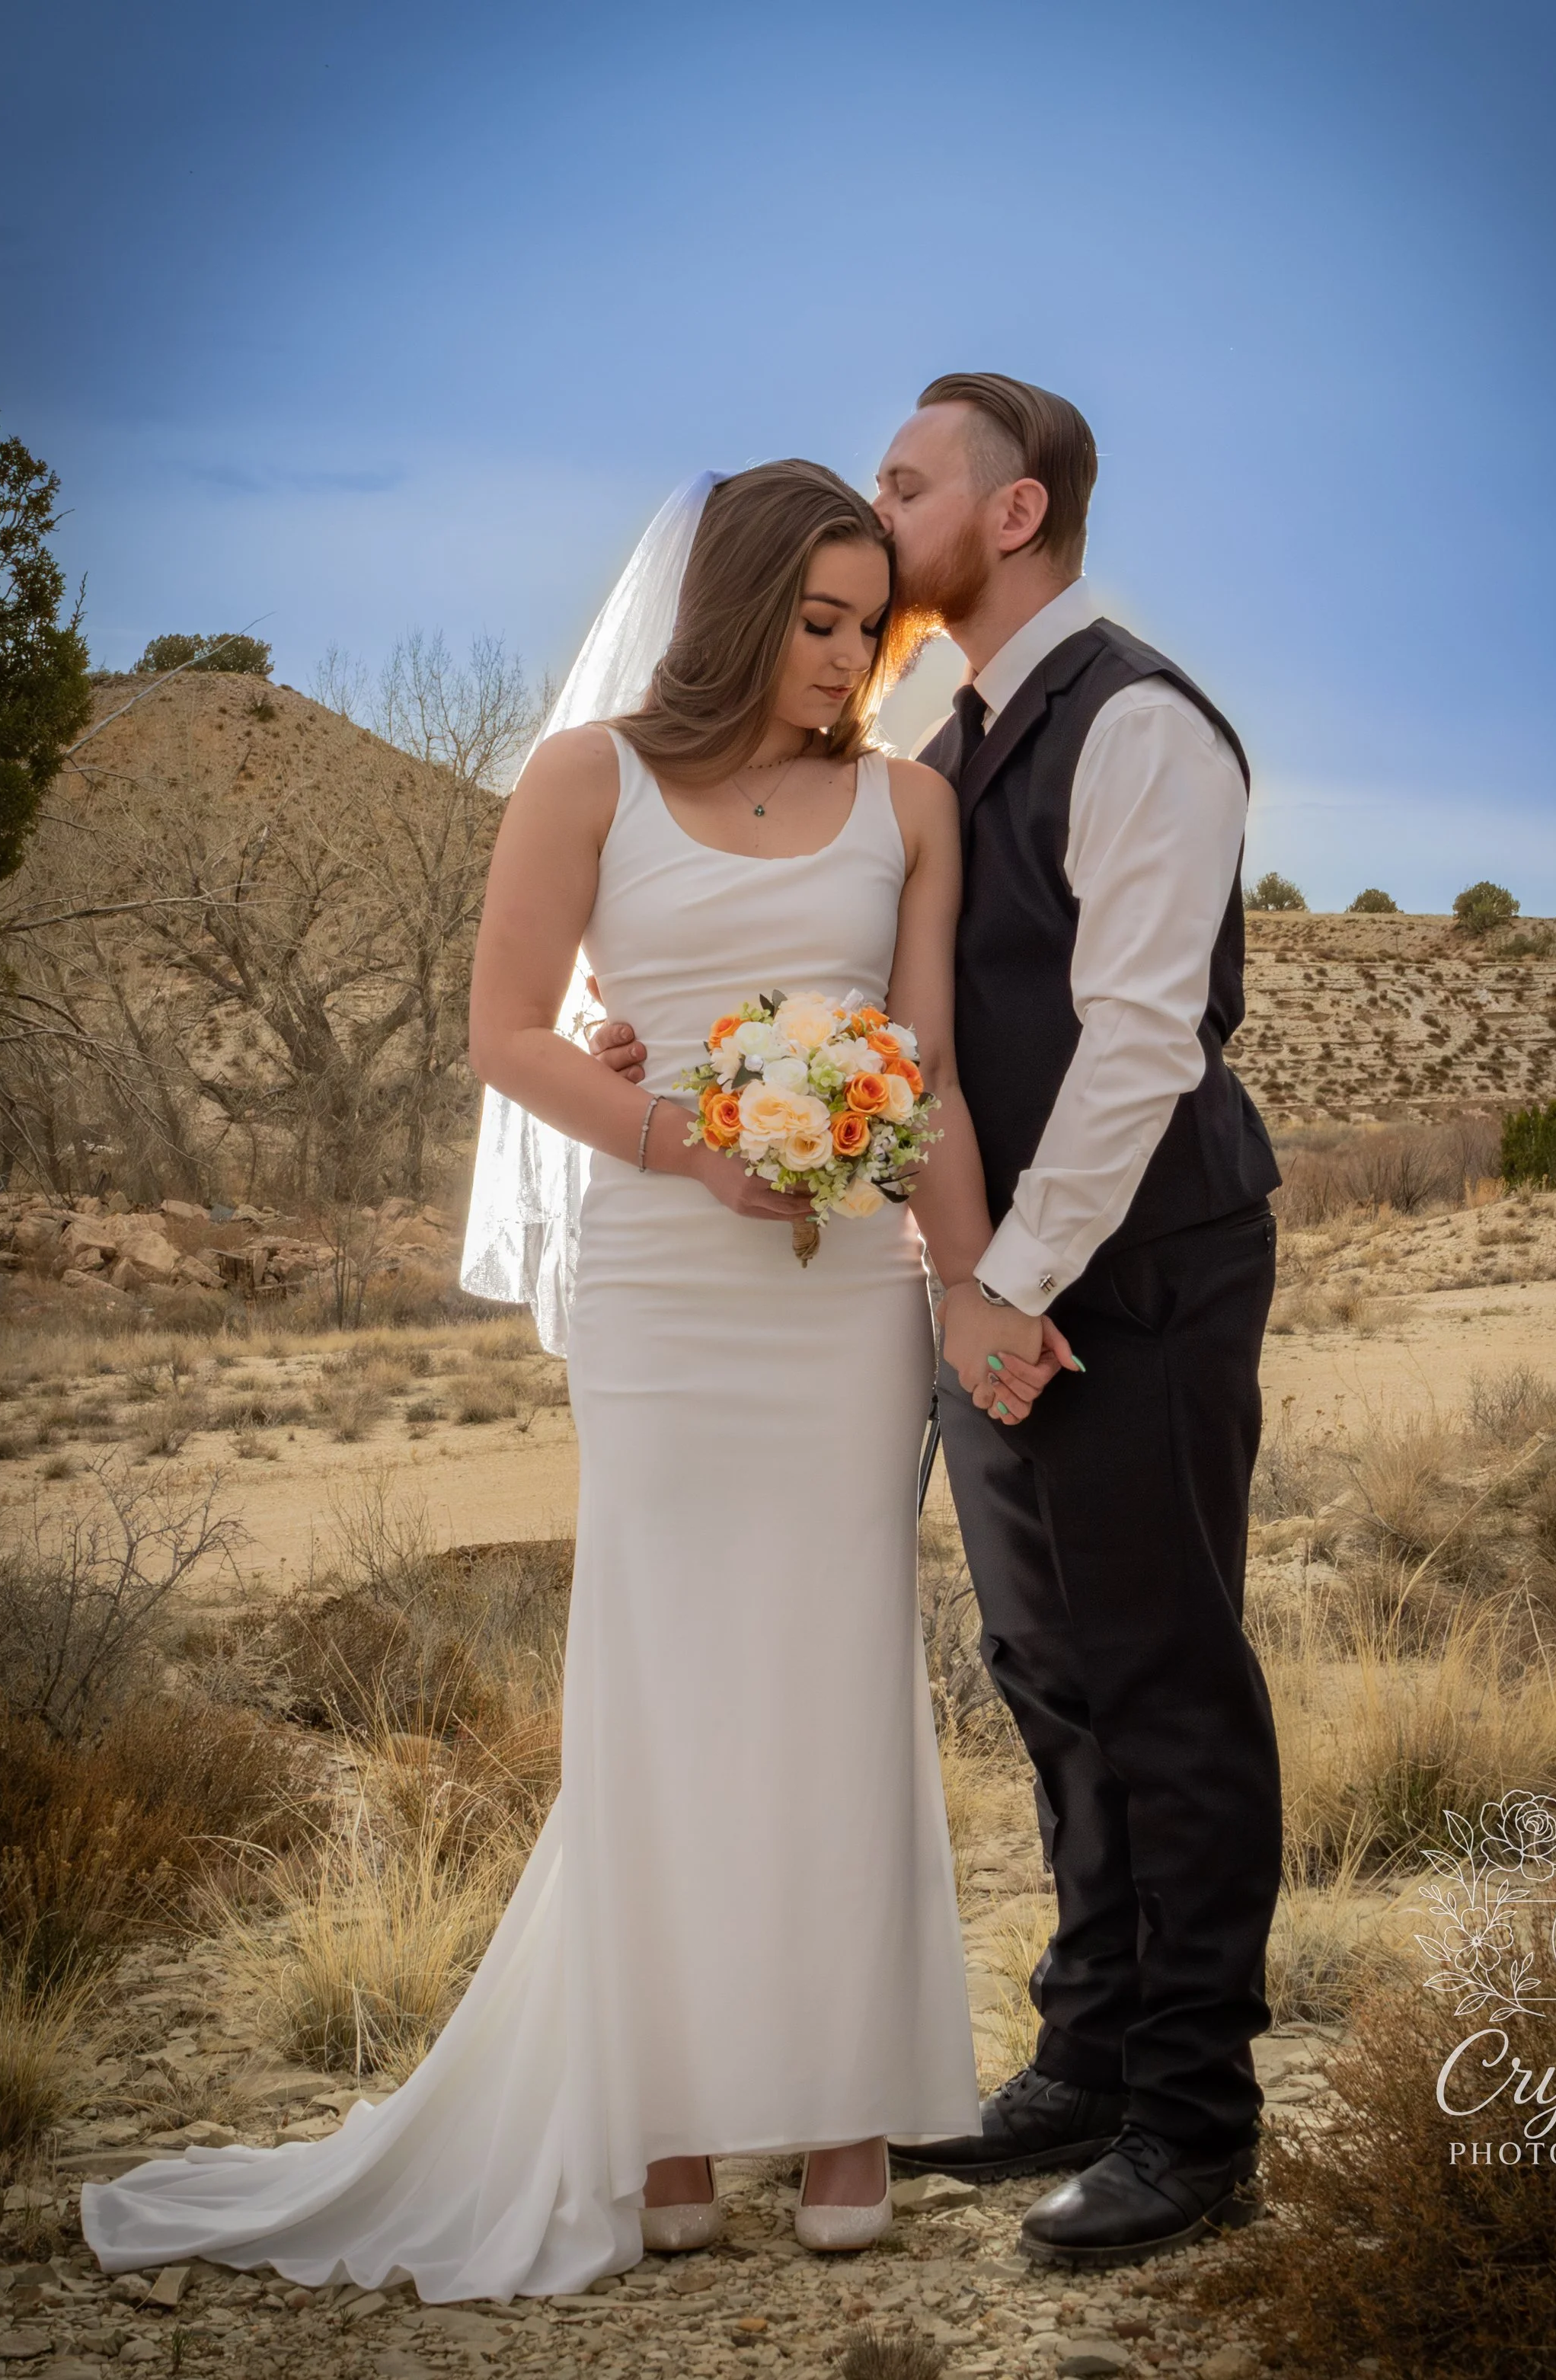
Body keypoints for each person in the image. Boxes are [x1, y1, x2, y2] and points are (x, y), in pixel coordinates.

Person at [81, 460, 1066, 2303]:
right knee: (661, 1672)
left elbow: (921, 1074)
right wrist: (672, 1133)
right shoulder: (586, 775)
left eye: (870, 625)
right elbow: (504, 1029)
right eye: (817, 620)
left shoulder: (909, 805)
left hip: (839, 1284)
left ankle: (843, 2104)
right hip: (662, 1279)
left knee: (840, 1665)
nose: (848, 658)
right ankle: (667, 2112)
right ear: (733, 605)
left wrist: (967, 1290)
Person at [596, 377, 1284, 2270]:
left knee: (1162, 1673)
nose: (878, 504)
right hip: (983, 1281)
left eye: (906, 481)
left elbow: (1142, 1041)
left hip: (1130, 1271)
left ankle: (1198, 2118)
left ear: (1012, 512)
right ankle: (1081, 2060)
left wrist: (1002, 1286)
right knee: (1049, 1671)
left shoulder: (1138, 721)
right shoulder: (949, 728)